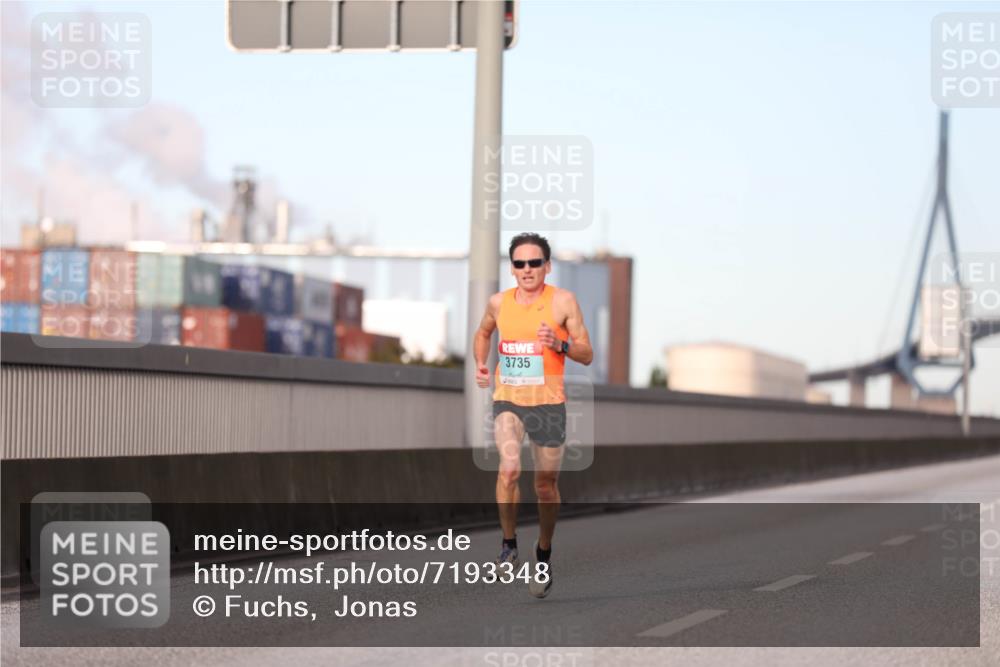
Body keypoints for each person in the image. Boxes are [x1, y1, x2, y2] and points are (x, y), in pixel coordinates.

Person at [473, 232, 593, 598]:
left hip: (548, 402)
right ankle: (509, 546)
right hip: (508, 398)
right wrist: (481, 363)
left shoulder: (563, 302)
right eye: (520, 264)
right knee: (509, 468)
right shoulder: (498, 302)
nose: (527, 270)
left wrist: (560, 344)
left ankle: (543, 553)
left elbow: (587, 353)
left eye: (534, 263)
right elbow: (483, 333)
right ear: (512, 269)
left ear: (547, 266)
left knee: (545, 486)